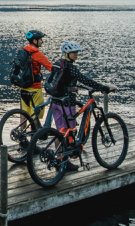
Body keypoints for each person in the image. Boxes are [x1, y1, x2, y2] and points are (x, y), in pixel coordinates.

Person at [50, 41, 116, 171]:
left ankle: (59, 160)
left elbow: (64, 81)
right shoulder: (70, 67)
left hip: (56, 102)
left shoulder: (58, 64)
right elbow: (85, 79)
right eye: (73, 53)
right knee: (69, 132)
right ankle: (65, 162)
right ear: (67, 54)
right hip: (67, 104)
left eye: (77, 52)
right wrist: (104, 88)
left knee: (60, 132)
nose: (76, 55)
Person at [20, 30, 54, 123]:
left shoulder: (23, 52)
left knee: (24, 112)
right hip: (35, 88)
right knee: (36, 113)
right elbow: (51, 68)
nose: (42, 41)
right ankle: (34, 135)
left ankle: (22, 134)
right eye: (40, 40)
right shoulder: (38, 55)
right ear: (35, 41)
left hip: (23, 87)